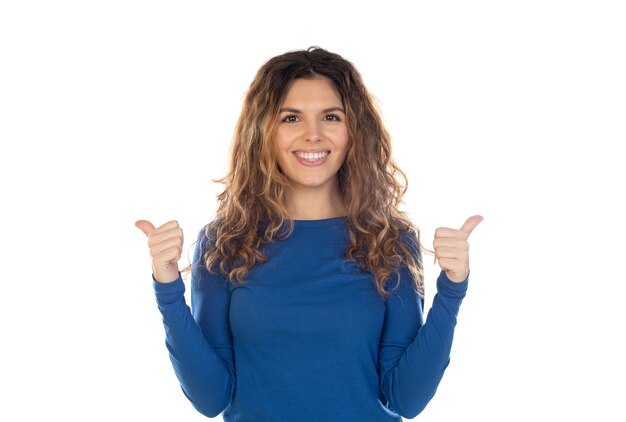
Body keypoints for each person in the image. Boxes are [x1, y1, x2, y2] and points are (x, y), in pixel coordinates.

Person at [135, 46, 482, 421]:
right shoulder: (225, 241)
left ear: (354, 131)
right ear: (264, 131)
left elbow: (404, 399)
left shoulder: (390, 241)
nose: (313, 135)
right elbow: (210, 398)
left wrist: (453, 286)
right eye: (291, 118)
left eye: (331, 117)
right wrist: (167, 286)